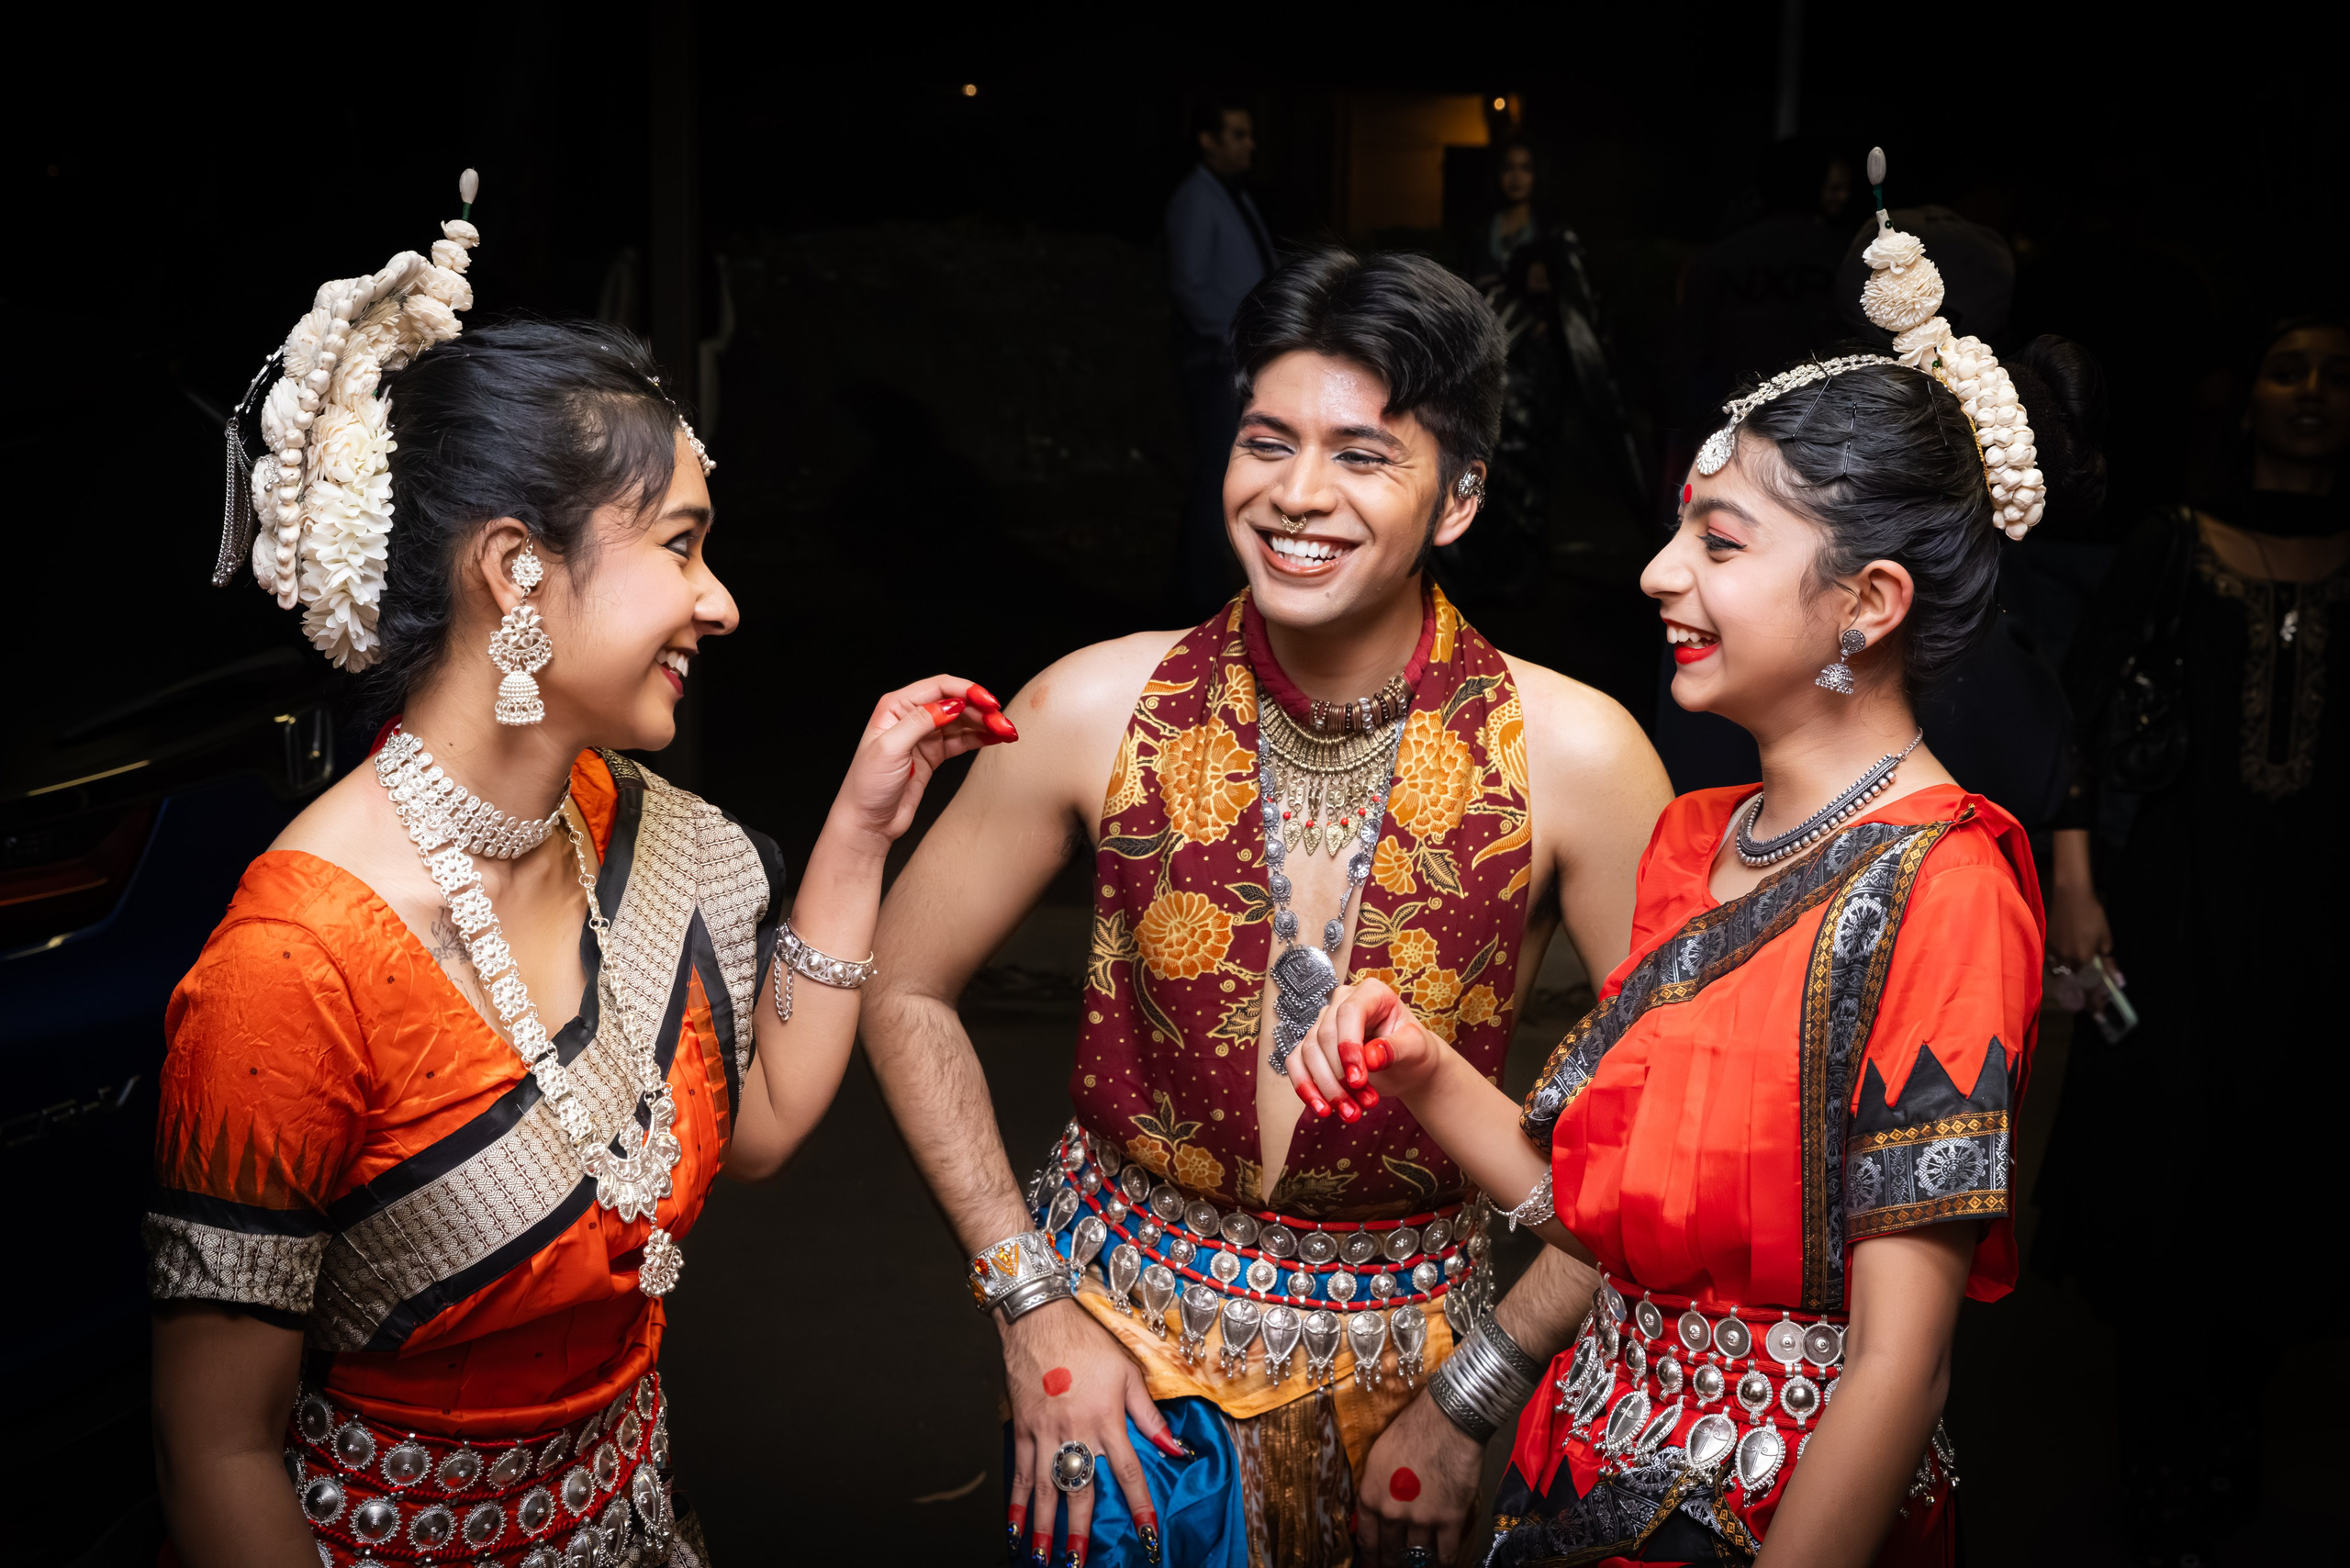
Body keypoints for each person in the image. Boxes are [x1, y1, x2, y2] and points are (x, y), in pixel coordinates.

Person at [143, 188, 1013, 1568]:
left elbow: (772, 1117)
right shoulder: (293, 968)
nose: (720, 599)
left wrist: (858, 832)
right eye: (679, 544)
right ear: (516, 573)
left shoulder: (652, 834)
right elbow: (218, 1450)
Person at [1291, 203, 2090, 1564]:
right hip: (1576, 1477)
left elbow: (1905, 1365)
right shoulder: (1694, 839)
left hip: (1769, 1517)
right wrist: (1420, 1065)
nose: (1661, 573)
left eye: (1721, 543)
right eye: (1680, 532)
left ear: (1868, 602)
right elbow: (1592, 1214)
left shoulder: (1946, 886)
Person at [862, 249, 1671, 1568]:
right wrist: (1031, 1309)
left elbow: (1657, 1154)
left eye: (1363, 457)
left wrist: (1476, 1400)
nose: (1298, 497)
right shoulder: (1090, 708)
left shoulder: (1579, 757)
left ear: (1459, 497)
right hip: (1111, 1381)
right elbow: (900, 986)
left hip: (1419, 1382)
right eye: (1266, 442)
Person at [2036, 314, 2350, 1567]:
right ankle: (2154, 1454)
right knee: (2162, 1173)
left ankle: (2236, 1437)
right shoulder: (2169, 547)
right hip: (2168, 912)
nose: (2314, 394)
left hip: (2320, 936)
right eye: (2289, 369)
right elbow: (2081, 718)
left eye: (2339, 377)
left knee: (2285, 1174)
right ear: (2246, 396)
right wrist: (2074, 882)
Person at [1441, 136, 1641, 604]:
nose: (1515, 177)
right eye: (1508, 167)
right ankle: (1486, 563)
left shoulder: (1552, 232)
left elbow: (1578, 304)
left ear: (1538, 175)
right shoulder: (1481, 229)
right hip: (1487, 368)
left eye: (1525, 167)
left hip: (1536, 373)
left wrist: (1546, 311)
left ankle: (1526, 571)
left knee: (1530, 469)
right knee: (1484, 461)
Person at [1167, 97, 1277, 625]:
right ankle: (1199, 600)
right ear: (1207, 140)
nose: (1247, 144)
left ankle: (1210, 591)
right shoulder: (1196, 198)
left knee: (1231, 474)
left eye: (1248, 133)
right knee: (1218, 476)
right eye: (1236, 133)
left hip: (1241, 360)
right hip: (1220, 363)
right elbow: (1190, 286)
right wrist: (1236, 344)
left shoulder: (1230, 196)